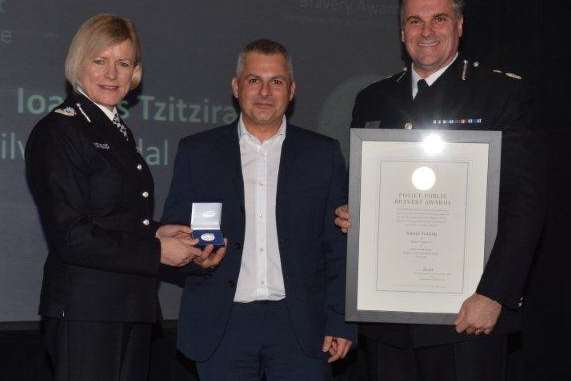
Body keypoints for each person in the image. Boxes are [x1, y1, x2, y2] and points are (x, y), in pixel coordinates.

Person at [334, 0, 545, 380]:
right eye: (415, 21)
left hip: (468, 316)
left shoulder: (500, 93)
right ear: (402, 32)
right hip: (389, 318)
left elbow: (525, 204)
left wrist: (495, 293)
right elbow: (374, 189)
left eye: (439, 19)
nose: (426, 31)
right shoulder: (373, 98)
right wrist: (359, 213)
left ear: (460, 26)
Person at [25, 14, 224, 381]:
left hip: (129, 305)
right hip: (87, 312)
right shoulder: (59, 131)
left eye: (123, 63)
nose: (111, 74)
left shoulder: (116, 130)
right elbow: (72, 236)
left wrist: (162, 235)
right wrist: (156, 251)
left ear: (135, 73)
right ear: (77, 65)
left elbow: (115, 220)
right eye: (99, 61)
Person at [161, 38, 356, 380]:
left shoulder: (323, 155)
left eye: (276, 82)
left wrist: (340, 320)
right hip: (222, 327)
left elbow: (338, 246)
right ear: (237, 87)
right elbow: (174, 234)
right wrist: (196, 260)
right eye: (254, 80)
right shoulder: (198, 153)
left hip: (301, 328)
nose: (265, 92)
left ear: (291, 90)